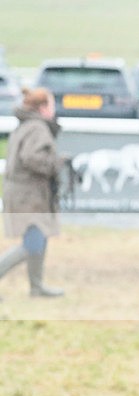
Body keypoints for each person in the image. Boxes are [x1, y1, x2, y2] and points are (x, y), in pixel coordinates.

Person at [0, 87, 65, 299]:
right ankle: (36, 287)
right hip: (29, 196)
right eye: (52, 104)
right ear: (43, 107)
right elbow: (31, 158)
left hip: (24, 193)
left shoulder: (26, 125)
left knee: (39, 239)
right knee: (32, 243)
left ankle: (36, 287)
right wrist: (56, 163)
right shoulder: (37, 128)